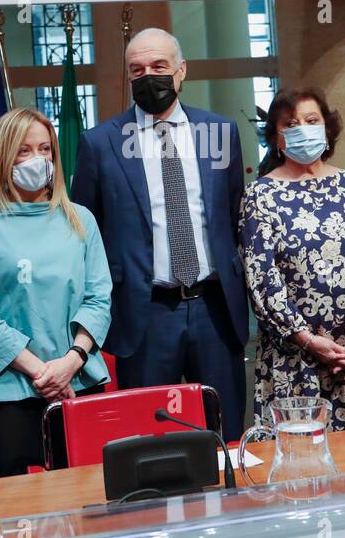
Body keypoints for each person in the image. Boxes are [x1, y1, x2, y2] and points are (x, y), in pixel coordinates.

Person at [71, 27, 251, 439]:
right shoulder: (100, 144)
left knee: (225, 432)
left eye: (159, 66)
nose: (148, 76)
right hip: (145, 314)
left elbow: (234, 214)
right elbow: (87, 233)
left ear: (181, 71)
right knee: (151, 440)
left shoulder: (220, 133)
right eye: (137, 70)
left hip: (215, 309)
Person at [0, 108, 112, 477]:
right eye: (24, 151)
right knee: (20, 509)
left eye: (45, 149)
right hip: (10, 389)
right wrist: (44, 373)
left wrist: (71, 361)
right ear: (3, 157)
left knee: (87, 494)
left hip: (78, 379)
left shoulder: (80, 219)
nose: (38, 159)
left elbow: (99, 298)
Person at [240, 89, 345, 430]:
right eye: (290, 124)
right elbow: (263, 281)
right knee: (302, 470)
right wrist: (309, 340)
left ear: (327, 129)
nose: (303, 129)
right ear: (277, 138)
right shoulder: (260, 195)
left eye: (312, 121)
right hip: (294, 362)